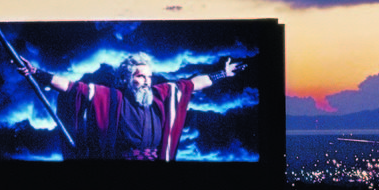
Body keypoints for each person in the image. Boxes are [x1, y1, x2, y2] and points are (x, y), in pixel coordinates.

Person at [19, 52, 243, 160]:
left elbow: (193, 84)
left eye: (149, 76)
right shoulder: (112, 98)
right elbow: (73, 87)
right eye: (140, 76)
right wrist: (37, 73)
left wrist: (223, 73)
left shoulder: (161, 94)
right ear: (127, 78)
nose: (147, 81)